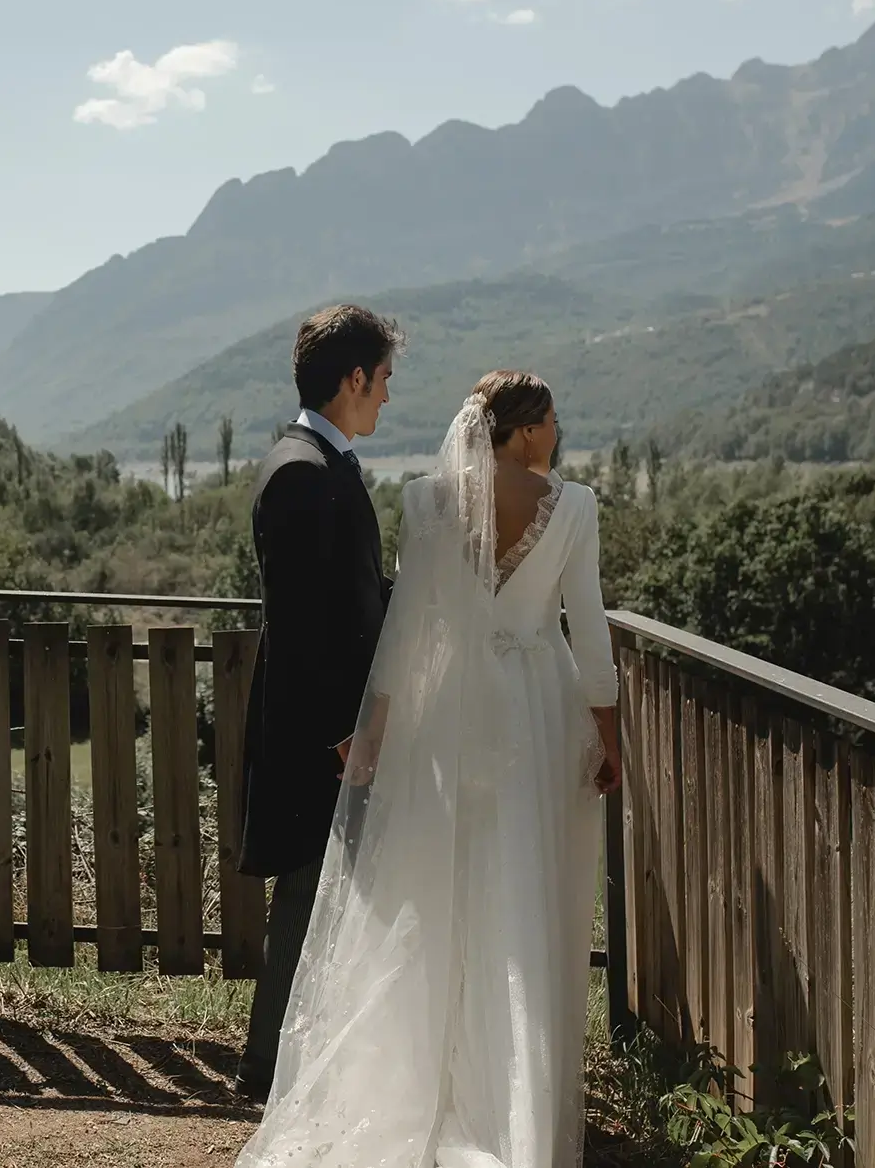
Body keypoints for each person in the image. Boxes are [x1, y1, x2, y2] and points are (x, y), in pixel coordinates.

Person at [236, 370, 624, 1168]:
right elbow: (587, 628)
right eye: (550, 419)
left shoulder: (424, 501)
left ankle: (433, 1074)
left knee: (446, 883)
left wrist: (374, 729)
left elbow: (406, 627)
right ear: (522, 432)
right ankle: (512, 1094)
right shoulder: (574, 506)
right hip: (535, 713)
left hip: (449, 716)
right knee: (521, 885)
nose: (557, 433)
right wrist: (608, 735)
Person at [234, 303, 402, 1103]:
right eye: (384, 381)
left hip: (338, 729)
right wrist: (344, 734)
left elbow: (352, 593)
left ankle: (303, 1057)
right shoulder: (301, 472)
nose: (387, 400)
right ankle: (267, 1068)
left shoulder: (320, 461)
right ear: (354, 378)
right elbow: (303, 627)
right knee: (306, 896)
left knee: (324, 896)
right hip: (320, 734)